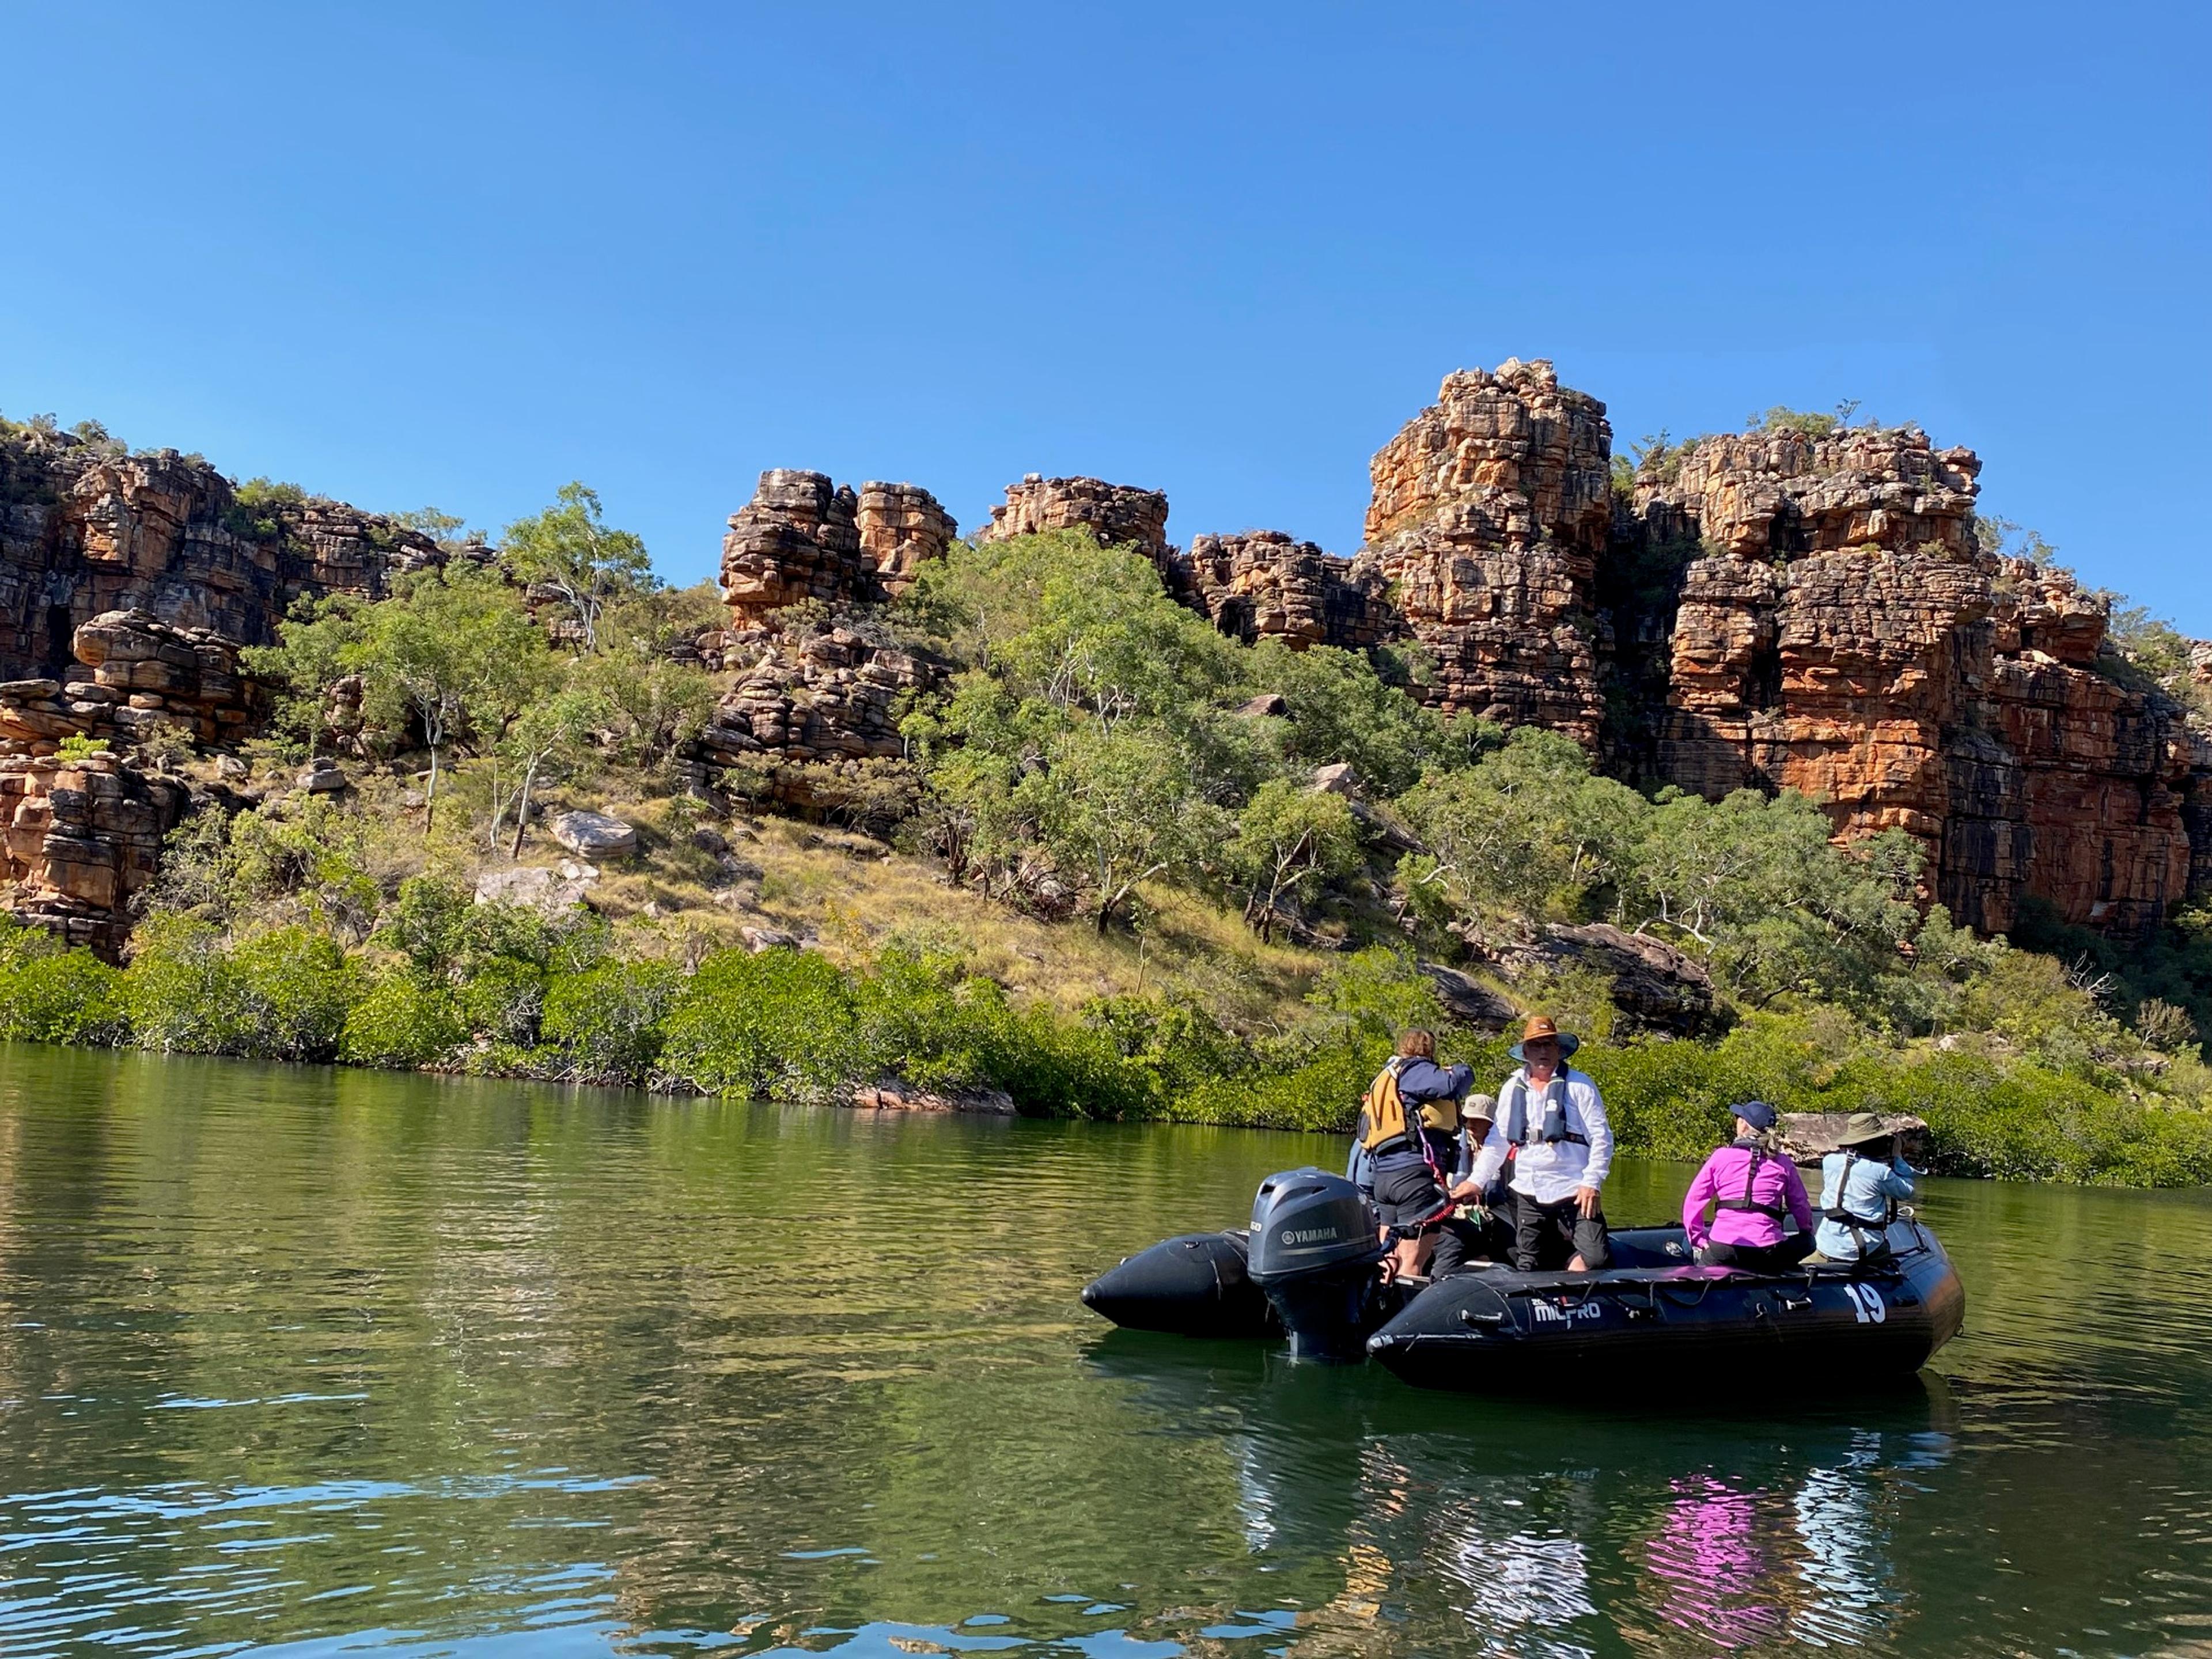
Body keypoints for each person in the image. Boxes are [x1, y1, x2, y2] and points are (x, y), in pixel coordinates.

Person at [1467, 1015, 1613, 1272]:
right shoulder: (1512, 1087)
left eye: (1549, 1044)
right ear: (1525, 1052)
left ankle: (1573, 1281)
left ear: (1559, 1049)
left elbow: (1602, 1138)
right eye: (1536, 1045)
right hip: (1529, 1188)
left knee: (1595, 1258)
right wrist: (1476, 1181)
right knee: (1529, 1262)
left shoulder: (1580, 1085)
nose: (1543, 1051)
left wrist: (1592, 1182)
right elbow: (1498, 1140)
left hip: (1574, 1190)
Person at [1349, 1029, 1474, 1279]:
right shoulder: (1417, 1070)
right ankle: (1405, 1313)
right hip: (1414, 1177)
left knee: (1389, 1254)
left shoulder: (1387, 1077)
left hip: (1385, 1177)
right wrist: (1462, 1070)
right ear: (1428, 1048)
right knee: (1413, 1258)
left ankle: (1380, 1308)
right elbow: (1452, 1084)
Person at [1681, 1100, 1817, 1271]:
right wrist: (1807, 1230)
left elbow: (1693, 1202)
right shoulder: (1784, 1163)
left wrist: (1699, 1240)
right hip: (1768, 1251)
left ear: (1744, 1125)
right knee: (1809, 1243)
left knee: (1688, 1242)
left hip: (1724, 1247)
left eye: (1738, 1117)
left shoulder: (1721, 1157)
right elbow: (1801, 1205)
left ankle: (1703, 1279)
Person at [1815, 1113, 1916, 1264]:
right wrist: (1897, 1158)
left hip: (1827, 1245)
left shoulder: (1829, 1161)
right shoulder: (1880, 1172)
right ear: (1876, 1142)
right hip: (1865, 1248)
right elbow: (1907, 1191)